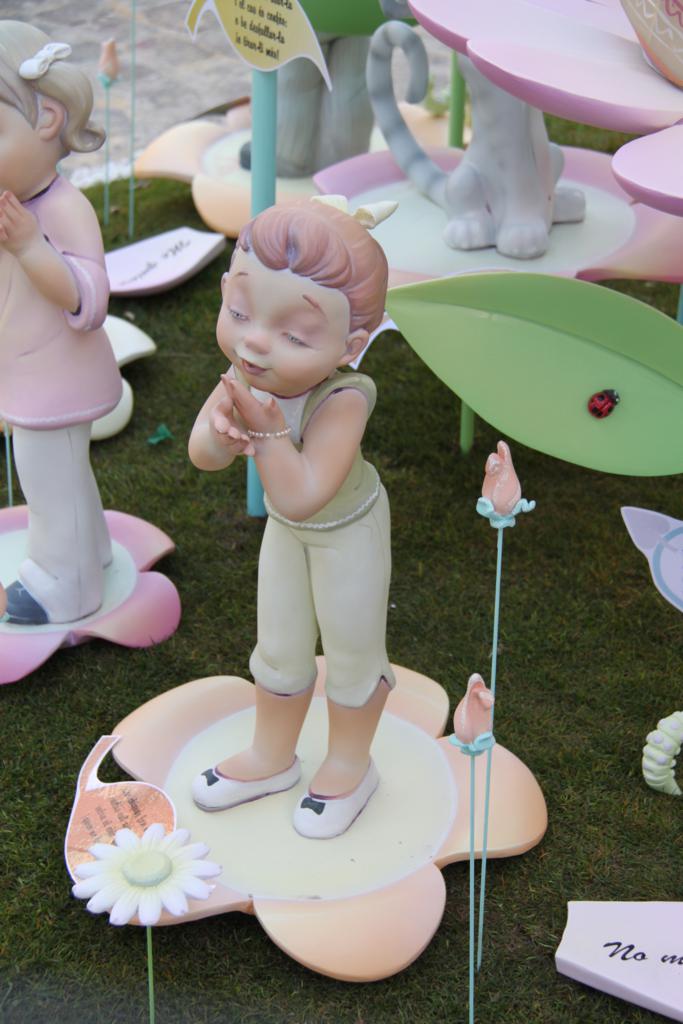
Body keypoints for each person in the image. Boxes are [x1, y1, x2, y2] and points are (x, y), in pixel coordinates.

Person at [189, 195, 396, 838]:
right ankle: (271, 755)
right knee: (278, 646)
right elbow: (202, 455)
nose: (255, 341)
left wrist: (267, 430)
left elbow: (304, 491)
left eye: (295, 335)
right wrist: (222, 432)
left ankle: (350, 763)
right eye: (239, 312)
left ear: (351, 344)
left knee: (352, 649)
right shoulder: (246, 371)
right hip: (287, 532)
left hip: (346, 534)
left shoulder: (344, 398)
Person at [0, 21, 121, 624]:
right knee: (64, 474)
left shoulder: (63, 208)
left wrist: (31, 249)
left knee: (49, 480)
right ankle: (91, 550)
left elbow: (89, 299)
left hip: (58, 376)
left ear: (47, 119)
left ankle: (65, 584)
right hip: (26, 370)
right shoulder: (15, 205)